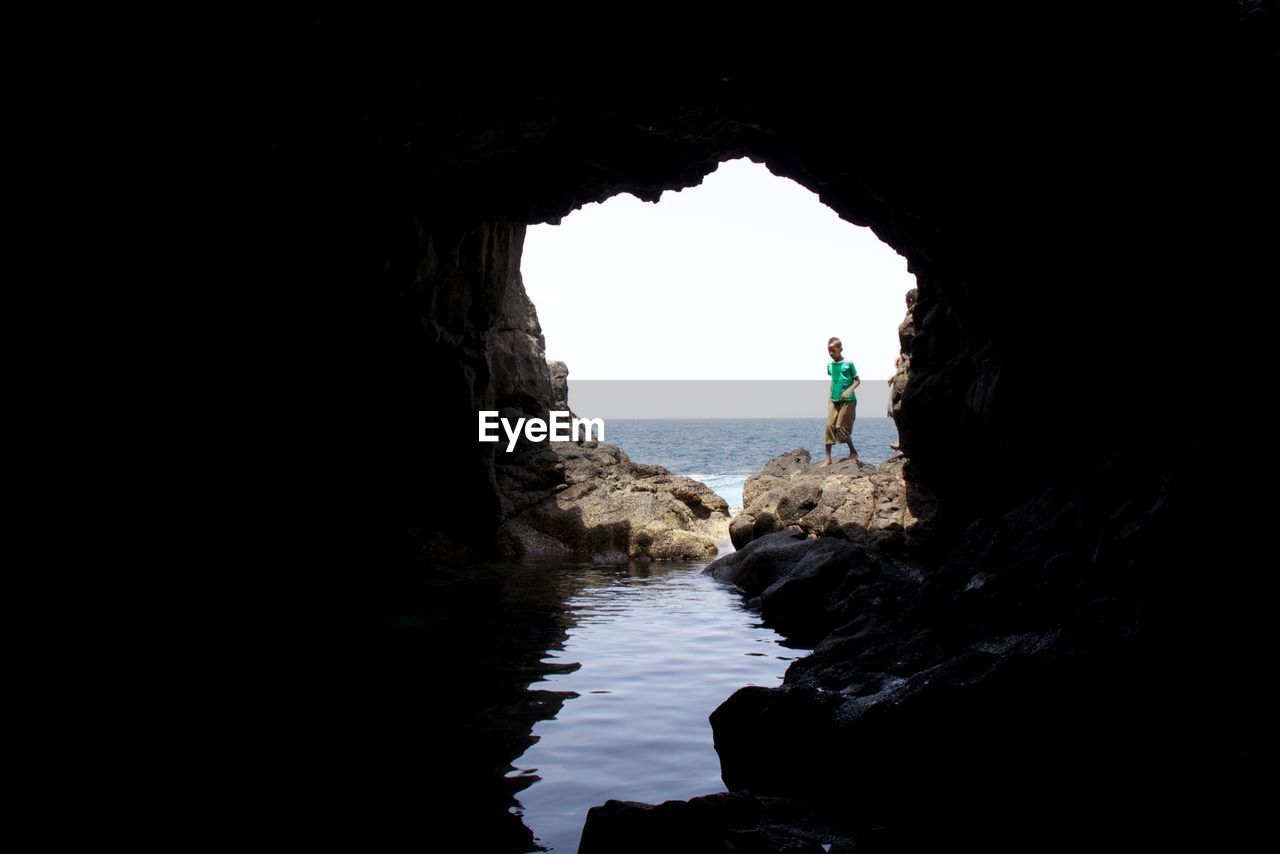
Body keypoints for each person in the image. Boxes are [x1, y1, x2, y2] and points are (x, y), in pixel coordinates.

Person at [887, 287, 917, 459]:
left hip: (908, 369)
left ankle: (905, 445)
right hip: (905, 365)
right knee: (897, 407)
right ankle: (904, 443)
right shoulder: (916, 317)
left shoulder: (915, 318)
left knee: (899, 407)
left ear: (910, 301)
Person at [822, 337, 860, 467]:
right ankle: (828, 458)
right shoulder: (830, 366)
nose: (831, 353)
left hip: (847, 400)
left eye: (833, 350)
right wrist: (829, 401)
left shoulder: (848, 364)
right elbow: (833, 383)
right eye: (829, 351)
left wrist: (849, 390)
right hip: (834, 400)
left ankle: (853, 452)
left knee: (841, 428)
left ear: (840, 349)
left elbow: (857, 381)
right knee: (829, 426)